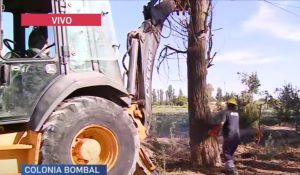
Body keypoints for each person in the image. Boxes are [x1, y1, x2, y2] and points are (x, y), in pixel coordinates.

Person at [221, 98, 240, 175]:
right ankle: (227, 169)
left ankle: (232, 170)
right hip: (237, 137)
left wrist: (215, 131)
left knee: (226, 152)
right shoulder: (237, 114)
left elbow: (222, 123)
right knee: (230, 153)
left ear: (228, 105)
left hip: (229, 136)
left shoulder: (226, 113)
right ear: (235, 106)